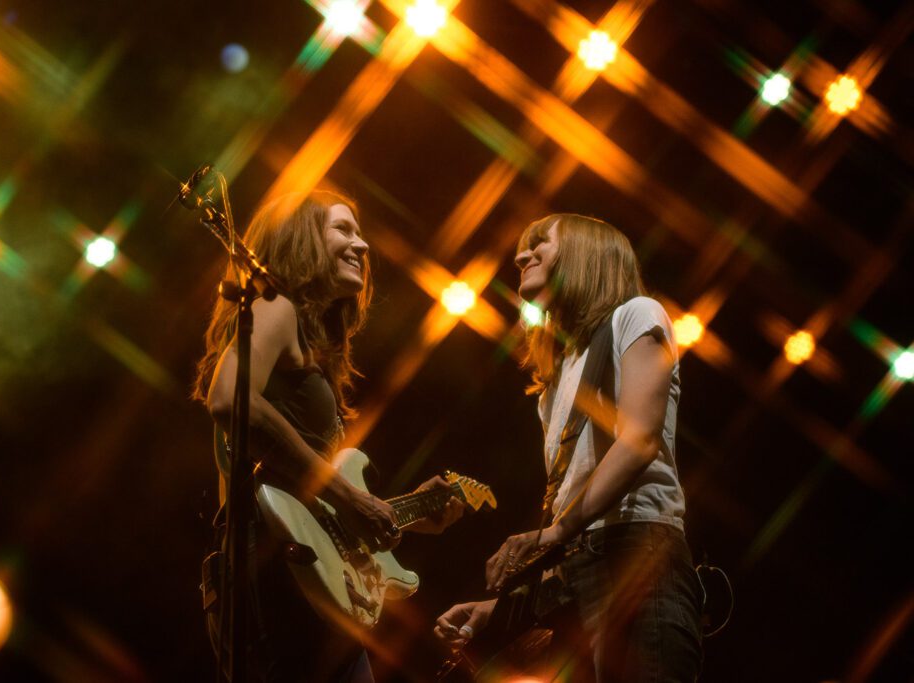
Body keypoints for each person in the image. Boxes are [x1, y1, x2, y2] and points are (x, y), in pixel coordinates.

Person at [194, 191, 464, 682]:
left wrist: (401, 512)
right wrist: (350, 499)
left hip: (304, 575)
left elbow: (304, 492)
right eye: (343, 229)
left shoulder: (305, 338)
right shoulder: (275, 306)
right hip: (276, 573)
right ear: (302, 239)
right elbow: (229, 400)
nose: (361, 244)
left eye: (359, 232)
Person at [434, 214, 703, 681]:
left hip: (638, 552)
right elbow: (572, 510)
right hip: (583, 568)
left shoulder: (636, 314)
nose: (521, 255)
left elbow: (639, 440)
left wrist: (556, 533)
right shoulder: (554, 381)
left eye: (540, 243)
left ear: (588, 251)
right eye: (522, 248)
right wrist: (500, 608)